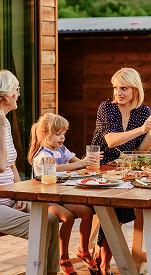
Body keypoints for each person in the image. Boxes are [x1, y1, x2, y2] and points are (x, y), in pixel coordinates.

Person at [0, 69, 60, 273]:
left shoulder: (2, 121)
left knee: (52, 219)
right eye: (16, 89)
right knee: (41, 226)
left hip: (6, 199)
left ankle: (49, 272)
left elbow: (11, 163)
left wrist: (19, 193)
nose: (18, 93)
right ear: (5, 96)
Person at [90, 67, 151, 274]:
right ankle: (104, 265)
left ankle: (101, 258)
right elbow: (111, 142)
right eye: (115, 88)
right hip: (100, 168)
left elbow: (141, 151)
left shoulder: (143, 112)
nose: (117, 93)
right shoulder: (106, 108)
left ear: (135, 90)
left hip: (124, 172)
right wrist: (142, 128)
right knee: (118, 209)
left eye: (123, 88)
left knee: (121, 208)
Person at [28, 113, 102, 275]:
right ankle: (64, 258)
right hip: (46, 199)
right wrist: (81, 164)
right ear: (44, 135)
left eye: (63, 133)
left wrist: (89, 162)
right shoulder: (42, 155)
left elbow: (75, 161)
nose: (62, 137)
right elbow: (54, 168)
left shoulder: (61, 148)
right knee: (67, 217)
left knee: (87, 212)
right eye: (57, 134)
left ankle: (83, 250)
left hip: (61, 197)